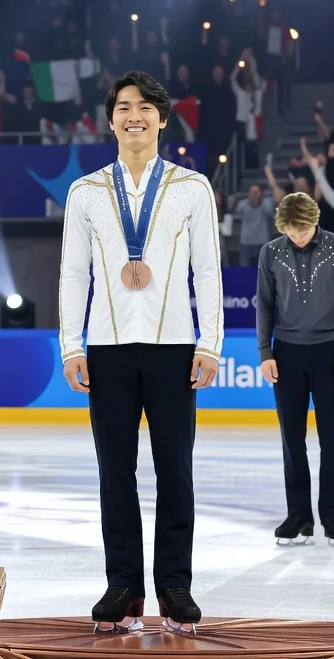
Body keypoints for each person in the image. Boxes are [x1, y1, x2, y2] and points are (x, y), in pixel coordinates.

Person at [58, 70, 222, 637]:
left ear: (162, 118)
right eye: (124, 107)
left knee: (175, 471)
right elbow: (73, 274)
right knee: (115, 474)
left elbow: (209, 270)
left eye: (146, 107)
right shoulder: (85, 192)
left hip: (174, 347)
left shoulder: (191, 188)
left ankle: (175, 585)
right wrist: (71, 345)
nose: (135, 116)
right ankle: (123, 583)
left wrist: (210, 342)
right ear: (111, 120)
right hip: (105, 348)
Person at [256, 192, 334, 548]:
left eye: (303, 230)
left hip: (329, 354)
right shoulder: (270, 253)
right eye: (291, 231)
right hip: (285, 356)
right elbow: (265, 305)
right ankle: (299, 515)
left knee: (331, 438)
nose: (298, 237)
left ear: (315, 221)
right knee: (292, 440)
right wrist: (265, 352)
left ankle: (332, 515)